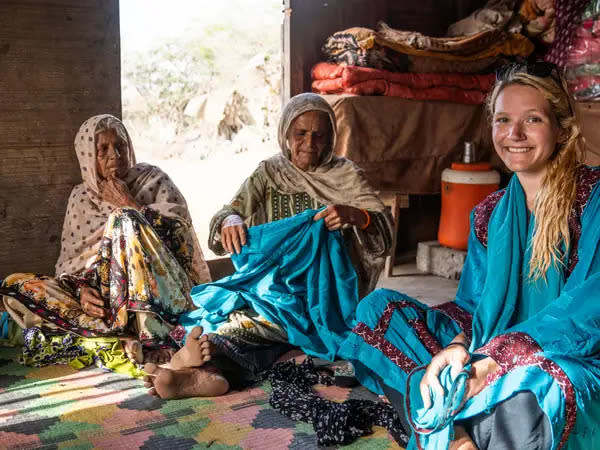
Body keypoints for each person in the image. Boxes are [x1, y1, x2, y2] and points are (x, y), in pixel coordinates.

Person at [337, 63, 600, 450]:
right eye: (503, 120)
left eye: (533, 119)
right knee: (378, 312)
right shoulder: (489, 214)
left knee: (547, 385)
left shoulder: (593, 197)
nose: (515, 134)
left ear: (561, 128)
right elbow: (472, 304)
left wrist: (495, 360)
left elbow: (587, 310)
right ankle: (459, 434)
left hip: (569, 352)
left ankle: (436, 423)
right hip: (489, 348)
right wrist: (459, 346)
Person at [143, 93, 394, 398]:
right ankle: (201, 372)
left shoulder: (346, 176)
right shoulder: (269, 174)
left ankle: (202, 369)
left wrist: (358, 216)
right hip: (271, 285)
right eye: (301, 133)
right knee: (229, 312)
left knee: (255, 323)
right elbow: (225, 214)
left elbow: (386, 236)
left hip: (327, 293)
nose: (310, 143)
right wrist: (230, 222)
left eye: (319, 135)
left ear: (332, 138)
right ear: (286, 134)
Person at [0, 114, 211, 365]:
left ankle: (152, 338)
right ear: (88, 157)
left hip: (160, 296)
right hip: (104, 302)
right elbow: (70, 264)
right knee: (15, 286)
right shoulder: (80, 197)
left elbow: (181, 245)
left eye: (120, 146)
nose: (115, 155)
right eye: (103, 149)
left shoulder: (153, 180)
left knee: (123, 218)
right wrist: (82, 291)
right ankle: (117, 339)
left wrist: (130, 204)